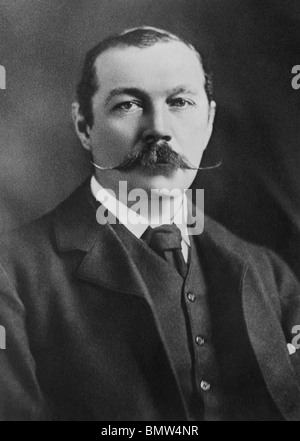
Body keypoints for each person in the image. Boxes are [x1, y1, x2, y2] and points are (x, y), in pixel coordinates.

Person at [0, 26, 300, 422]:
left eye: (179, 101)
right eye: (127, 105)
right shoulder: (13, 272)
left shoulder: (268, 273)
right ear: (83, 126)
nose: (158, 127)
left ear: (208, 121)